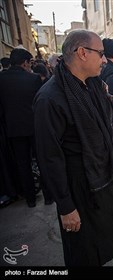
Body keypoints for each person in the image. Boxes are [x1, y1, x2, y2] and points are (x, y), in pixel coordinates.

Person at [33, 29, 113, 266]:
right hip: (81, 184)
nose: (106, 60)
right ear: (82, 53)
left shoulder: (94, 84)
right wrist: (66, 206)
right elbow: (49, 157)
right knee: (84, 245)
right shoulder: (50, 98)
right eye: (101, 54)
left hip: (109, 171)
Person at [0, 48, 43, 208]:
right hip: (34, 127)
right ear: (25, 63)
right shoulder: (33, 79)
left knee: (22, 164)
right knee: (41, 160)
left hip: (13, 129)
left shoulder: (1, 79)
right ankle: (49, 196)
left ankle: (30, 199)